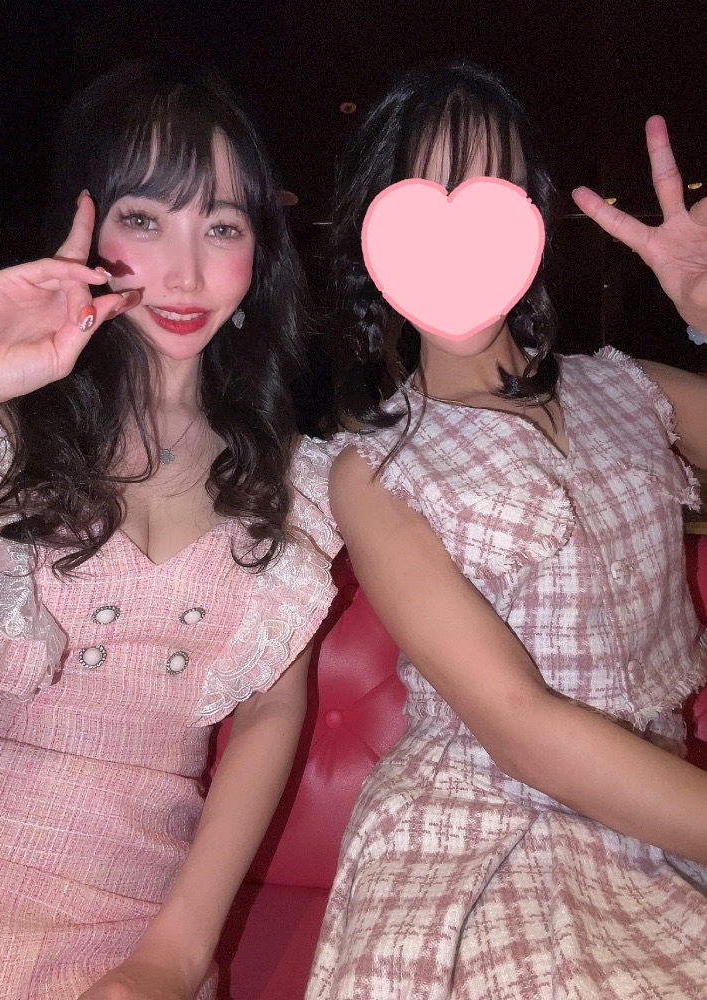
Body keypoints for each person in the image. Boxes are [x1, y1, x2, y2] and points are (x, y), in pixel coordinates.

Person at [306, 60, 707, 999]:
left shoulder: (632, 387)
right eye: (417, 198)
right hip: (477, 836)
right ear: (368, 235)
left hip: (665, 826)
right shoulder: (375, 469)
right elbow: (523, 729)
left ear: (532, 220)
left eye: (487, 192)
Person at [0, 63, 340, 1000]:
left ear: (259, 251)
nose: (185, 272)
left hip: (150, 912)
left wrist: (174, 955)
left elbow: (270, 711)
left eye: (221, 226)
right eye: (144, 219)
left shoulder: (293, 479)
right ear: (86, 229)